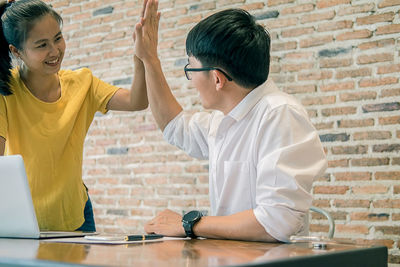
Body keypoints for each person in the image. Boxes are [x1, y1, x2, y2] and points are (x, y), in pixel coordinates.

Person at [136, 0, 328, 242]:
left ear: (217, 79)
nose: (191, 80)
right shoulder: (224, 119)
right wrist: (150, 59)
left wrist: (189, 224)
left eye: (191, 70)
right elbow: (175, 126)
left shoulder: (279, 115)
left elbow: (277, 222)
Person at [0, 0, 148, 232]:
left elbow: (137, 101)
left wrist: (142, 57)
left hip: (76, 216)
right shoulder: (6, 91)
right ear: (16, 51)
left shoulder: (83, 83)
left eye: (58, 38)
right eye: (41, 45)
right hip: (23, 221)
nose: (54, 51)